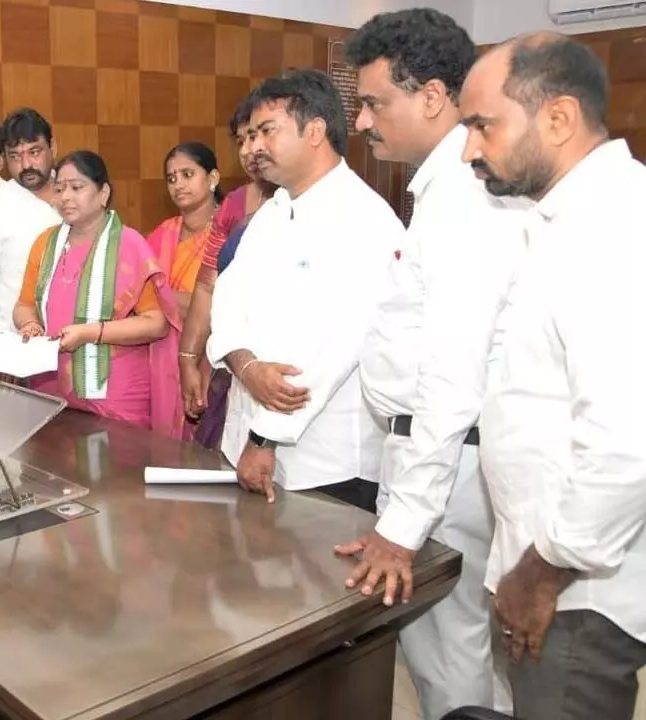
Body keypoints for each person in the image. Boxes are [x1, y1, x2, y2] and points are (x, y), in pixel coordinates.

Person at [328, 10, 524, 720]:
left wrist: (402, 524)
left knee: (445, 656)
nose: (363, 121)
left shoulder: (466, 199)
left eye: (377, 102)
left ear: (434, 96)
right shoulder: (447, 190)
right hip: (441, 453)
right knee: (464, 648)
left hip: (445, 460)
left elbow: (452, 374)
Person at [460, 33, 646, 720]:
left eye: (483, 125)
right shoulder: (570, 218)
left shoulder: (610, 229)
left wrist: (541, 574)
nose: (470, 150)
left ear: (559, 118)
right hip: (557, 569)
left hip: (577, 591)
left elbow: (628, 438)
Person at [207, 69, 402, 511]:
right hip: (246, 443)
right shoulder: (273, 212)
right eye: (251, 135)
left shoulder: (366, 220)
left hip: (323, 462)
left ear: (314, 131)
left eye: (267, 132)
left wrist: (266, 437)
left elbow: (337, 349)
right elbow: (229, 298)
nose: (254, 147)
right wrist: (246, 363)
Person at [13, 150, 183, 437]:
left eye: (77, 187)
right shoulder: (45, 243)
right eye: (60, 188)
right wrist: (29, 324)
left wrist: (91, 332)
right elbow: (24, 304)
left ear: (103, 193)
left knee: (112, 477)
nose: (65, 196)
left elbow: (156, 323)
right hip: (50, 388)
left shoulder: (129, 245)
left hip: (115, 395)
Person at [178, 105, 278, 450]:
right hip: (231, 362)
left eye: (259, 135)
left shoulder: (303, 202)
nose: (250, 150)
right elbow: (207, 283)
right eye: (242, 140)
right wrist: (189, 359)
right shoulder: (235, 204)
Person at [0, 108, 61, 358]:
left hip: (79, 341)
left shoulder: (76, 192)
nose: (26, 165)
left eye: (34, 152)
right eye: (15, 156)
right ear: (4, 160)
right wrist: (3, 349)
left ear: (53, 147)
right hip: (20, 349)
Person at [145, 142, 222, 324]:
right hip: (161, 343)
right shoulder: (163, 233)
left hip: (214, 346)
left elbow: (225, 307)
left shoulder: (230, 231)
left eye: (187, 175)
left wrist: (161, 296)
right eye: (172, 179)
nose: (178, 184)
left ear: (212, 178)